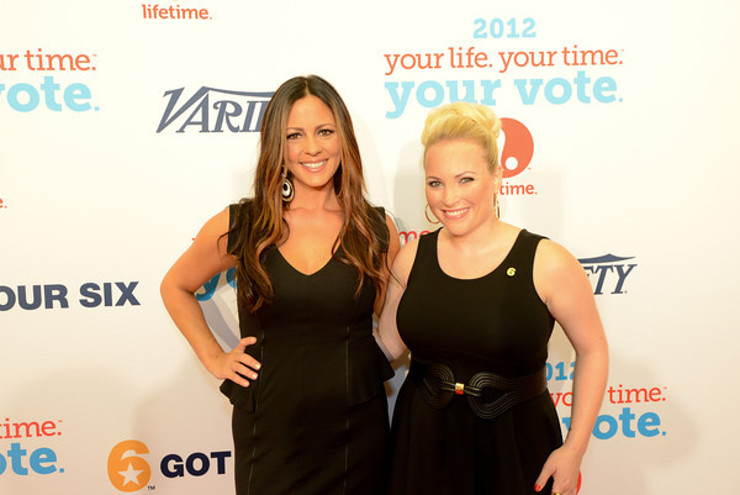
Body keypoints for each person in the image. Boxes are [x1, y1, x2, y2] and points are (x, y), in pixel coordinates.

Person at [161, 75, 399, 495]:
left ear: (343, 138)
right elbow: (175, 286)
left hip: (355, 434)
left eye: (325, 132)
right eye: (295, 135)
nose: (312, 148)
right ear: (277, 144)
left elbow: (391, 319)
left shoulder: (375, 229)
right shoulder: (243, 224)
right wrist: (216, 357)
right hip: (268, 432)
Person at [377, 102, 608, 495]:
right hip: (423, 446)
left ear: (497, 176)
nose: (449, 198)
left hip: (515, 448)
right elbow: (385, 346)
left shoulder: (547, 261)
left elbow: (593, 351)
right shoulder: (413, 257)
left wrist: (574, 449)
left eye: (465, 179)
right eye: (435, 183)